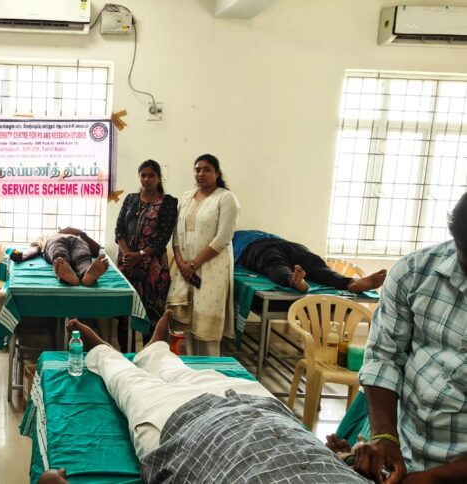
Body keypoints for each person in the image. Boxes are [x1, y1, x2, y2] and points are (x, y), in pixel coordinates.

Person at [37, 317, 370, 483]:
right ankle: (156, 351)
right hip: (268, 415)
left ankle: (101, 352)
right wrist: (350, 461)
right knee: (181, 372)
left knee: (129, 382)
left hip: (187, 431)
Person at [355, 192, 467, 484]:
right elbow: (384, 356)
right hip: (405, 452)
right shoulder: (415, 272)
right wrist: (384, 435)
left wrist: (435, 478)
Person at [167, 154, 238, 356]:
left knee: (205, 325)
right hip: (184, 270)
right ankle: (186, 367)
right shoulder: (187, 197)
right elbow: (176, 233)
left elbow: (223, 238)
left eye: (207, 170)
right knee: (184, 323)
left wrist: (194, 264)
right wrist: (181, 263)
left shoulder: (226, 198)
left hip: (212, 269)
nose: (201, 174)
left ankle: (208, 367)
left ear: (217, 173)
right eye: (197, 170)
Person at [114, 160, 178, 351]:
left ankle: (151, 357)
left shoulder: (168, 203)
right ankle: (127, 357)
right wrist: (128, 254)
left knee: (151, 316)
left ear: (159, 178)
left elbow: (163, 237)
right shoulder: (130, 199)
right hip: (127, 265)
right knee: (125, 315)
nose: (146, 179)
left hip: (152, 269)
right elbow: (119, 230)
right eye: (143, 175)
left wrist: (140, 255)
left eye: (151, 175)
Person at [234, 229, 387, 293]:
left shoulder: (228, 238)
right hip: (283, 245)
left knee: (275, 263)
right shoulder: (239, 235)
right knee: (313, 264)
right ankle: (349, 282)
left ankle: (293, 279)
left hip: (263, 246)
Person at [10, 227, 108, 286]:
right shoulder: (46, 235)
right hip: (55, 241)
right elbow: (34, 248)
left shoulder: (76, 234)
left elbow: (96, 249)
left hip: (77, 241)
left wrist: (81, 233)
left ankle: (87, 274)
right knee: (59, 253)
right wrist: (22, 256)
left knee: (83, 255)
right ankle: (66, 272)